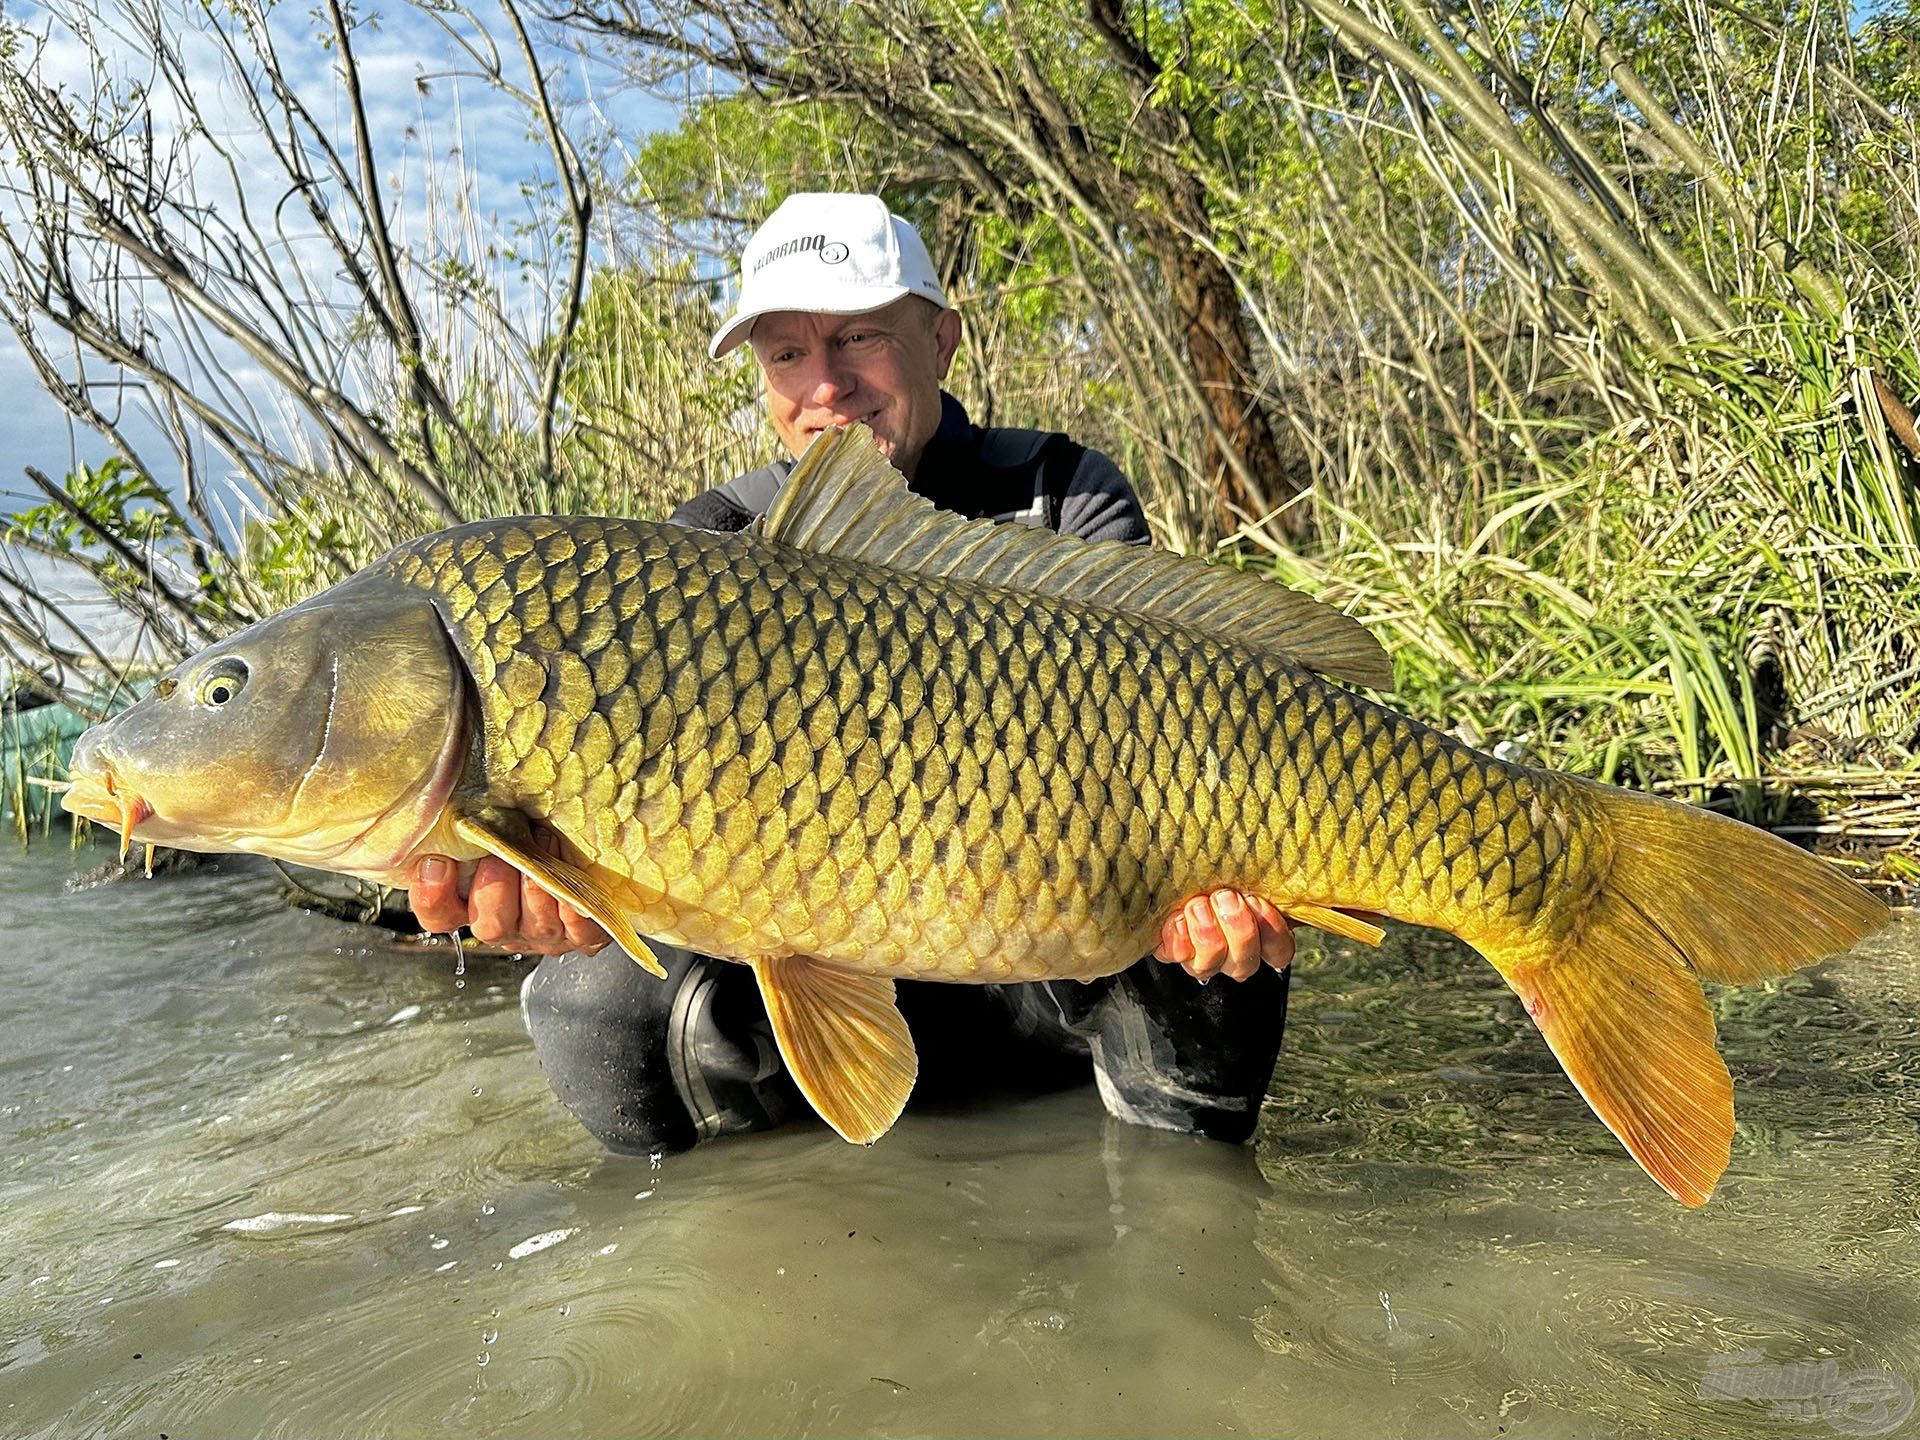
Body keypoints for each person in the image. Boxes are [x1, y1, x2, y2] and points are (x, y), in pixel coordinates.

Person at [409, 192, 1298, 1154]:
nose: (823, 385)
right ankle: (765, 1230)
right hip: (822, 952)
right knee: (592, 999)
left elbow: (1210, 728)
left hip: (1053, 956)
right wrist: (568, 892)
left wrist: (1220, 892)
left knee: (1216, 947)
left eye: (860, 337)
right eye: (787, 353)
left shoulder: (1062, 496)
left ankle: (1181, 1218)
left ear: (943, 339)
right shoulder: (703, 548)